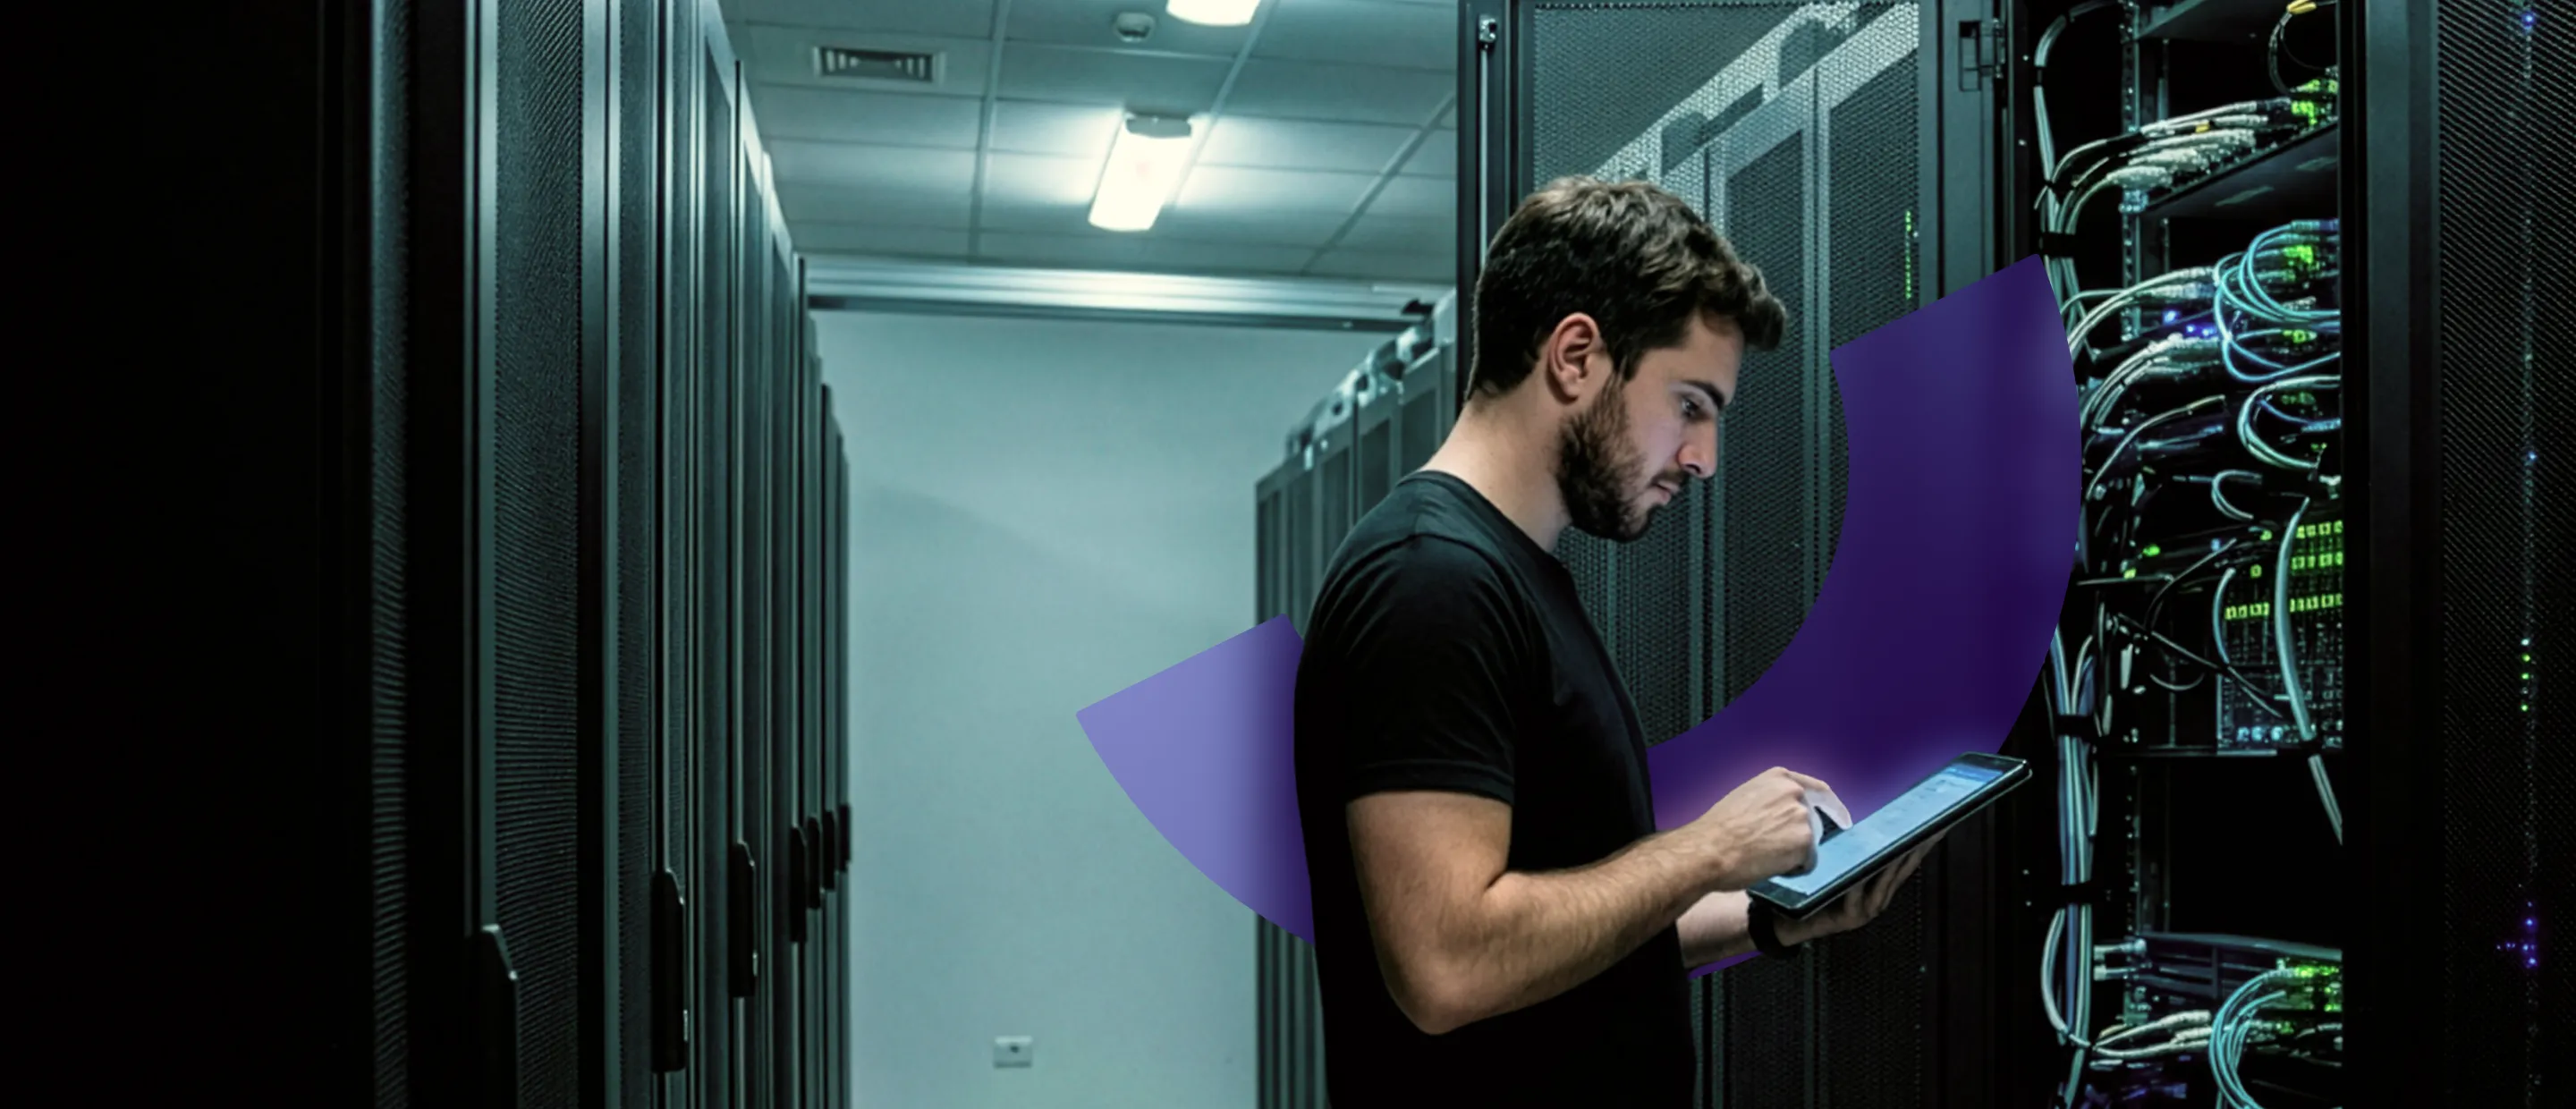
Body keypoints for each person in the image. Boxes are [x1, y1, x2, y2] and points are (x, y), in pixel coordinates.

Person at [1290, 176, 1942, 1106]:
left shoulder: (1506, 572)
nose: (1704, 456)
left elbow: (1555, 937)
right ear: (1576, 355)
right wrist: (1707, 848)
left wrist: (1762, 919)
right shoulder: (1429, 580)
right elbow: (1450, 966)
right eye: (1690, 404)